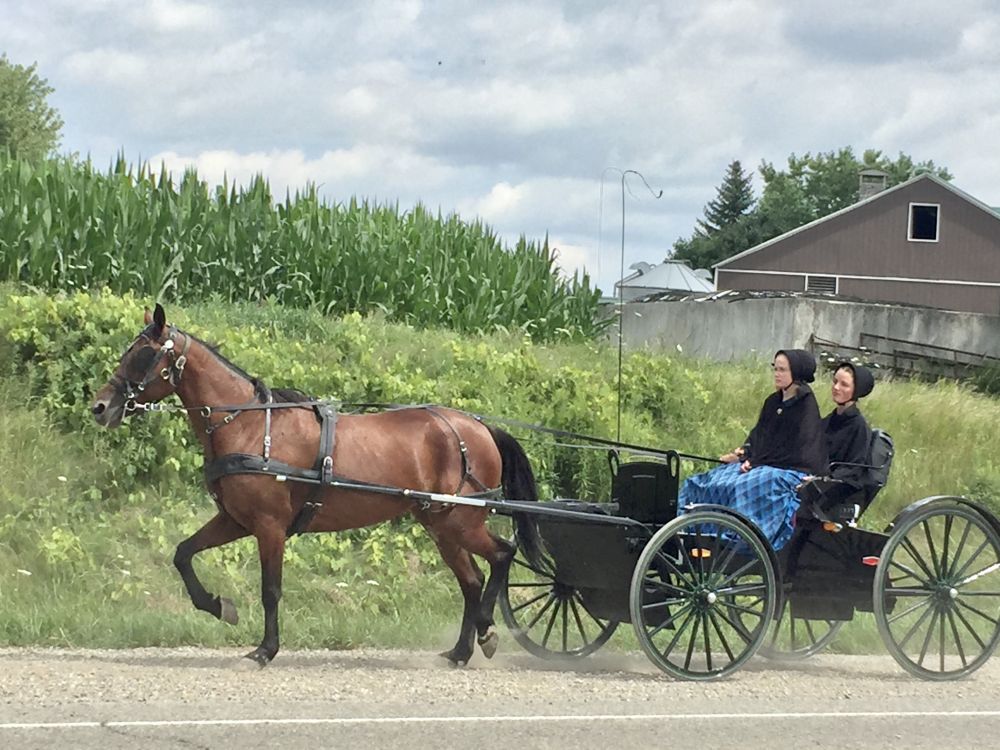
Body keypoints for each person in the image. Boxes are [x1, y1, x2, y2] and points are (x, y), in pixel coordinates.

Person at [679, 349, 828, 550]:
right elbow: (759, 436)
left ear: (797, 374)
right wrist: (744, 453)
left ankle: (734, 537)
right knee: (708, 481)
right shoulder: (772, 401)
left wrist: (755, 462)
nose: (777, 374)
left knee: (741, 487)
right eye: (775, 368)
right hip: (761, 462)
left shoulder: (806, 406)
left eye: (782, 370)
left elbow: (796, 450)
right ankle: (690, 529)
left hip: (791, 470)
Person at [819, 361, 875, 502]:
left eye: (844, 384)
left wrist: (821, 480)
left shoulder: (859, 426)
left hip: (833, 489)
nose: (836, 387)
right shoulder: (829, 420)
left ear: (856, 390)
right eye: (835, 382)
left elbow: (853, 468)